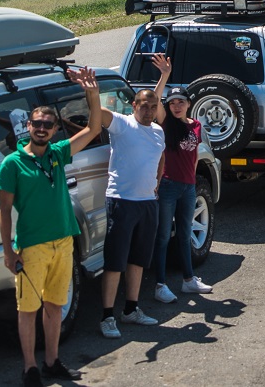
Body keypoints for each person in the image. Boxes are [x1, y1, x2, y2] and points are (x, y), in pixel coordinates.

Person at [0, 67, 105, 387]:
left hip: (64, 242)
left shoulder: (58, 153)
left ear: (55, 128)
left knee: (55, 306)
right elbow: (4, 211)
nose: (42, 128)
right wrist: (8, 251)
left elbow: (94, 127)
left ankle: (52, 361)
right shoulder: (12, 164)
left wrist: (92, 92)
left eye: (48, 124)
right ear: (27, 127)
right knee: (28, 309)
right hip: (32, 246)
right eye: (36, 124)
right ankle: (30, 368)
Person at [99, 73, 168, 339]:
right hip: (122, 202)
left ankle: (131, 309)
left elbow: (161, 158)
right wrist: (91, 91)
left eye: (153, 106)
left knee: (138, 260)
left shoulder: (158, 131)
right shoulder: (122, 124)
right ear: (133, 106)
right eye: (144, 105)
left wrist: (158, 181)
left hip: (148, 203)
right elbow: (100, 113)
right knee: (115, 261)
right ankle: (107, 316)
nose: (149, 110)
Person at [150, 57, 214, 304]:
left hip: (188, 186)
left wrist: (192, 179)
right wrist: (164, 75)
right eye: (172, 103)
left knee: (186, 233)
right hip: (167, 186)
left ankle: (189, 280)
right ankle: (160, 284)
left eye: (181, 102)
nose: (176, 106)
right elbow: (155, 100)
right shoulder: (166, 123)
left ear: (189, 104)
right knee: (164, 235)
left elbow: (194, 154)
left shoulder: (196, 125)